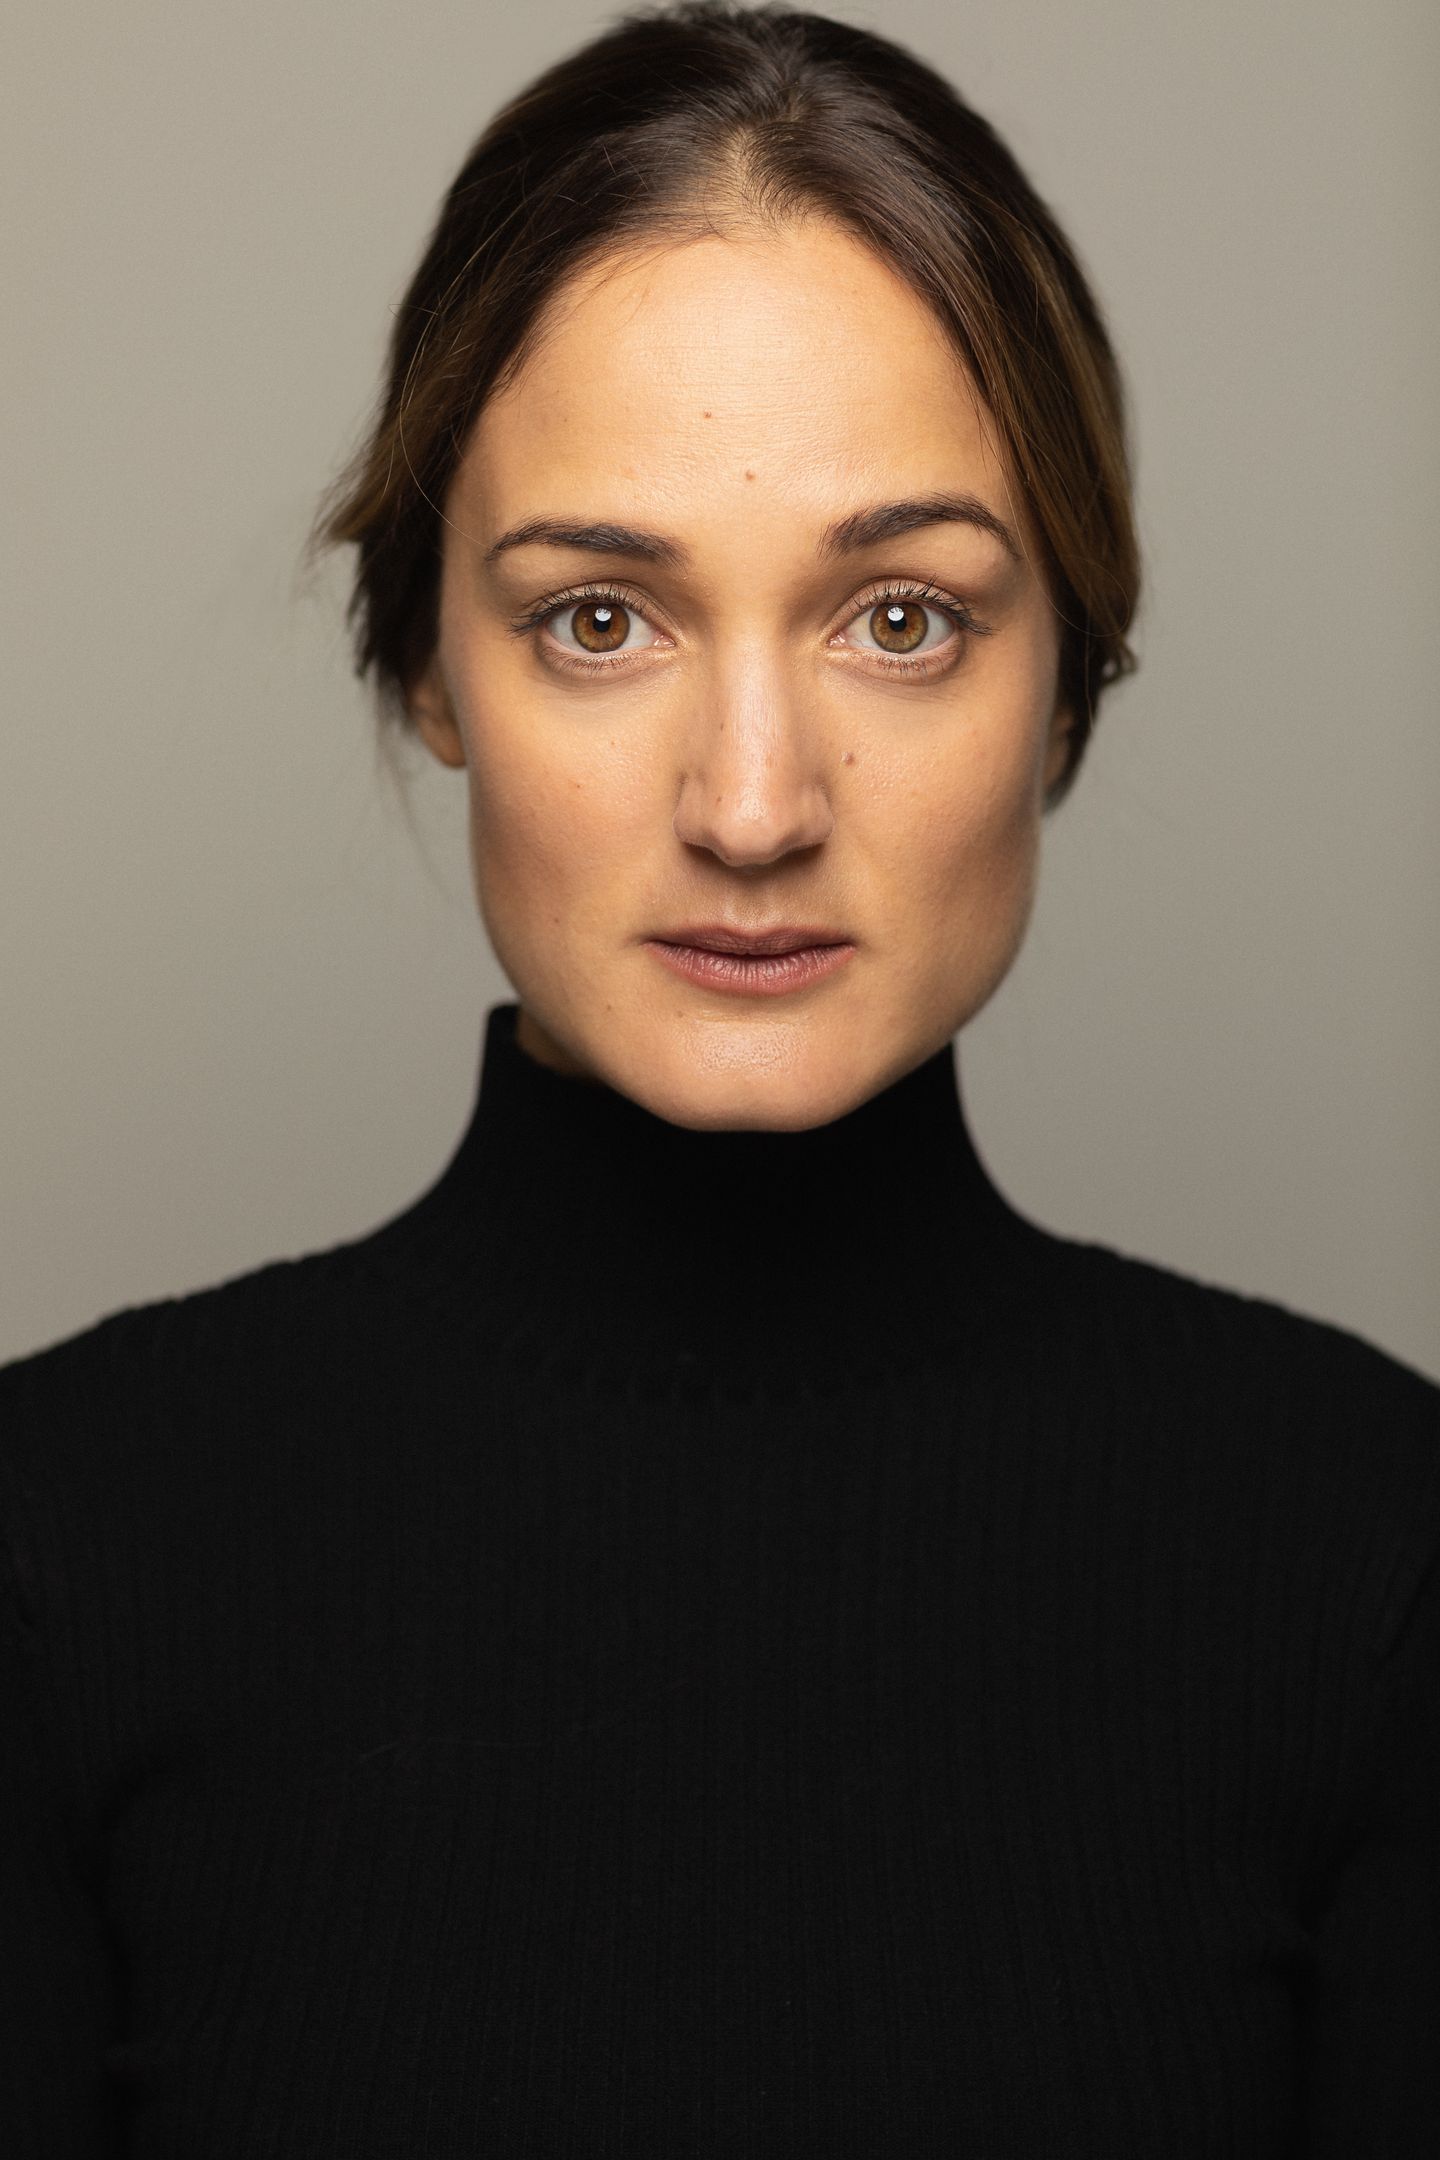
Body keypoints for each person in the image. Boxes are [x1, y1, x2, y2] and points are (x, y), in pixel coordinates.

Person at [2, 3, 1436, 2152]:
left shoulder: (1377, 1556)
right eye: (600, 620)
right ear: (427, 667)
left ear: (1067, 680)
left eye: (903, 619)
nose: (753, 807)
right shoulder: (54, 1552)